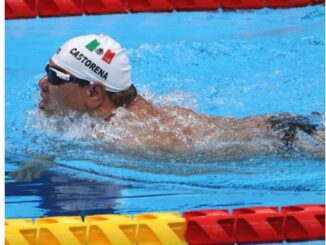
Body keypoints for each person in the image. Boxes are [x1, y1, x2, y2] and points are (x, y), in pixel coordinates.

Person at [38, 34, 325, 161]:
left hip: (288, 140)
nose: (43, 83)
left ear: (94, 93)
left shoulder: (125, 138)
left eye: (54, 77)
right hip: (276, 127)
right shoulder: (123, 110)